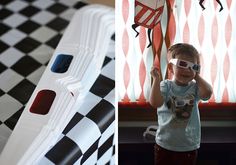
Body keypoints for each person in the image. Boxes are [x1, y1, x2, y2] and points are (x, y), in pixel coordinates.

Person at [149, 43, 213, 165]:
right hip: (164, 144)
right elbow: (155, 102)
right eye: (182, 64)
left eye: (192, 66)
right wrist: (156, 80)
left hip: (188, 145)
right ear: (170, 68)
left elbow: (207, 94)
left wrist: (197, 76)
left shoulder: (195, 88)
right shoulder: (166, 86)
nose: (187, 70)